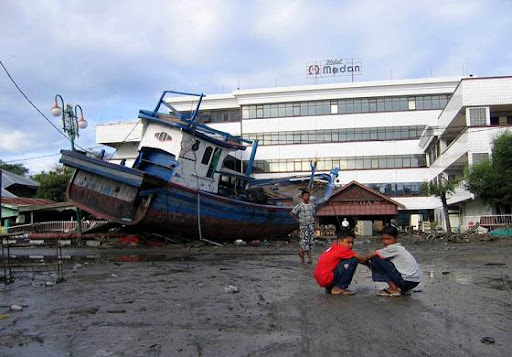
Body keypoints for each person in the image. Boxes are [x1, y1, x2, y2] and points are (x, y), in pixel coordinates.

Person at [366, 225, 420, 296]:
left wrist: (359, 259)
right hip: (413, 282)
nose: (385, 242)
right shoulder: (400, 248)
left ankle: (393, 288)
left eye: (388, 239)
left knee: (375, 259)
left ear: (396, 238)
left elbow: (369, 255)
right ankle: (404, 289)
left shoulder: (393, 248)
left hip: (405, 281)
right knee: (385, 261)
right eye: (383, 239)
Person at [314, 228, 368, 295]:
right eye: (348, 242)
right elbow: (362, 259)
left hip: (321, 279)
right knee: (353, 260)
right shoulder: (343, 250)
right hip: (327, 278)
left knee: (346, 261)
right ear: (339, 241)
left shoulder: (333, 247)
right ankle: (340, 287)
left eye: (352, 243)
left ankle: (330, 288)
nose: (350, 245)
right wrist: (370, 259)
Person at [291, 190, 316, 264]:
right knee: (305, 241)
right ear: (302, 197)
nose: (307, 197)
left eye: (308, 196)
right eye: (305, 196)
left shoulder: (312, 205)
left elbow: (314, 214)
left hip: (311, 225)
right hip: (304, 225)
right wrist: (298, 220)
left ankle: (309, 257)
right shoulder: (300, 206)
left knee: (310, 241)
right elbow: (292, 213)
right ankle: (302, 253)